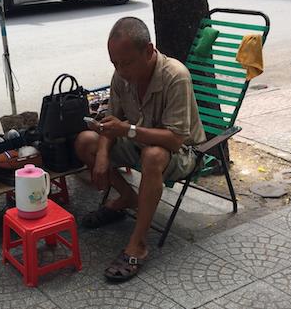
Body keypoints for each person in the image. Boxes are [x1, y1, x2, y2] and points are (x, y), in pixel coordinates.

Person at [74, 17, 206, 282]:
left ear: (148, 51)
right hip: (137, 142)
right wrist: (101, 156)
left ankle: (138, 243)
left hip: (181, 153)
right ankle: (128, 198)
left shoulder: (175, 76)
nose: (120, 70)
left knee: (153, 155)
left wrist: (128, 130)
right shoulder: (121, 76)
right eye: (115, 64)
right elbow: (112, 121)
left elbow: (176, 140)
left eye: (126, 63)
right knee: (85, 141)